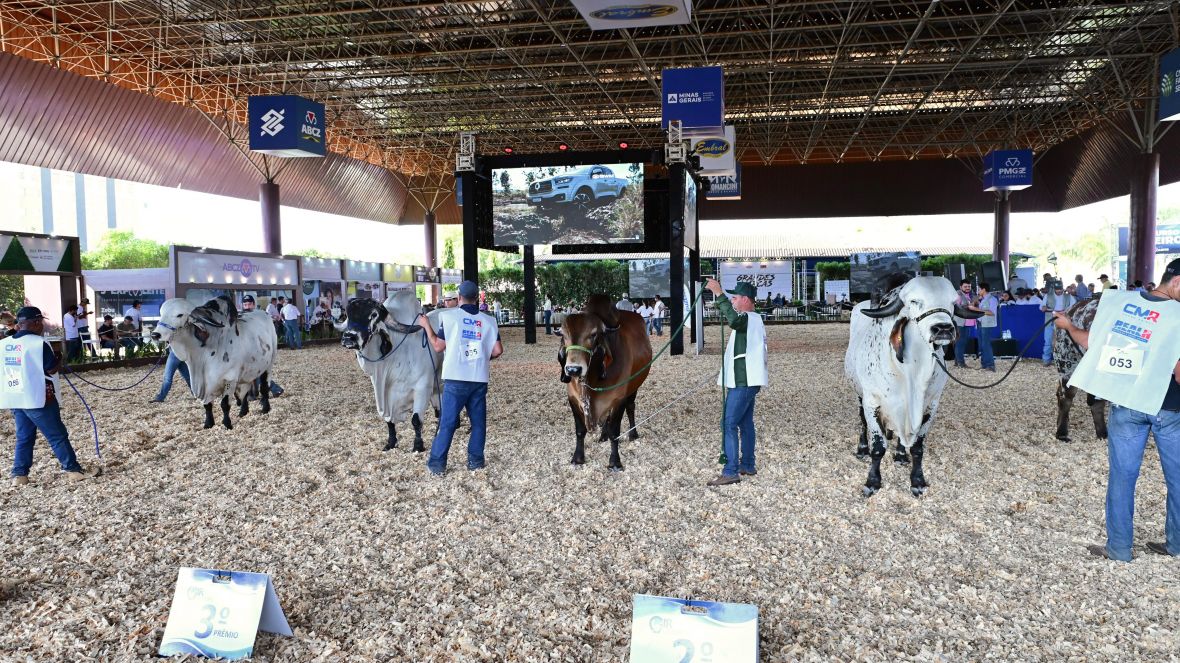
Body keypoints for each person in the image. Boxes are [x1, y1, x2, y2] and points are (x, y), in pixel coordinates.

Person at [1054, 257, 1180, 561]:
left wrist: (1068, 325)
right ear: (1177, 282)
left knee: (1122, 478)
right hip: (1170, 410)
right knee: (1178, 479)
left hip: (1127, 405)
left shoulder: (1120, 304)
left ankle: (1119, 548)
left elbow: (1091, 344)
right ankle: (1176, 545)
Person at [2, 306, 101, 486]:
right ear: (36, 322)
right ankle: (73, 470)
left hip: (15, 397)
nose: (42, 326)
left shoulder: (4, 343)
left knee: (24, 437)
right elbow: (50, 368)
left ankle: (19, 475)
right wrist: (59, 358)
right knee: (57, 435)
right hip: (37, 398)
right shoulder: (39, 343)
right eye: (41, 322)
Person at [418, 280, 503, 475]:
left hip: (456, 378)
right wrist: (482, 356)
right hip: (479, 378)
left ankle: (437, 464)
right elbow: (498, 350)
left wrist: (426, 326)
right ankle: (476, 462)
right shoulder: (489, 320)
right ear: (477, 297)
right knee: (478, 423)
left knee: (447, 422)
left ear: (459, 297)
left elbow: (438, 346)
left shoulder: (449, 318)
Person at [703, 279, 767, 486]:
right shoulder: (754, 319)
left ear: (746, 300)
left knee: (728, 423)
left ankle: (730, 471)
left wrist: (718, 293)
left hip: (743, 380)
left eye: (736, 297)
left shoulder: (748, 318)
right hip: (748, 380)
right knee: (745, 423)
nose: (733, 300)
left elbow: (733, 320)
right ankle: (747, 464)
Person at [240, 296, 284, 398]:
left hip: (258, 348)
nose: (247, 306)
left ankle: (273, 389)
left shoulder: (258, 316)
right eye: (245, 304)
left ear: (254, 305)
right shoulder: (241, 316)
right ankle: (253, 394)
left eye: (249, 304)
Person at [1041, 280, 1072, 366]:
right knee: (1048, 341)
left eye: (1060, 289)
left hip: (1063, 320)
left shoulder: (1069, 296)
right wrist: (1043, 307)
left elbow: (1073, 307)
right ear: (1054, 288)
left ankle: (1064, 360)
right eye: (1057, 289)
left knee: (1065, 341)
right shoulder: (1047, 296)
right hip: (1050, 320)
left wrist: (1066, 311)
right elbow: (1041, 307)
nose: (1059, 291)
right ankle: (1046, 360)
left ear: (1063, 288)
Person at [973, 282, 998, 371]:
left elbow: (991, 312)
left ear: (984, 289)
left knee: (986, 345)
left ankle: (991, 365)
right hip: (981, 323)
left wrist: (976, 309)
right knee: (982, 345)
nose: (978, 291)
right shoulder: (983, 299)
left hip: (987, 325)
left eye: (979, 289)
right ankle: (984, 364)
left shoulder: (992, 299)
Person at [952, 280, 976, 369]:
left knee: (960, 342)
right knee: (960, 342)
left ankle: (957, 361)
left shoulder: (969, 295)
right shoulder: (958, 295)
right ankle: (961, 363)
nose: (967, 288)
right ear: (960, 287)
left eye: (969, 286)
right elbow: (957, 308)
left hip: (967, 322)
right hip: (961, 323)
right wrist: (969, 306)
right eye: (965, 286)